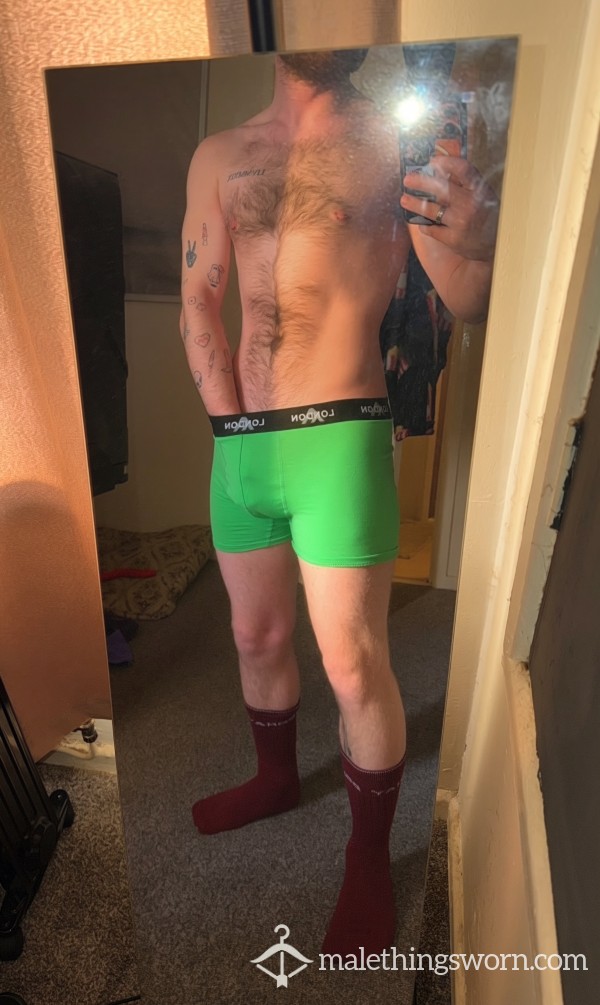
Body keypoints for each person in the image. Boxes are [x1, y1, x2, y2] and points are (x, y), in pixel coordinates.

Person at [179, 49, 498, 956]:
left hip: (341, 436)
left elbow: (466, 298)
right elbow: (199, 298)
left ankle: (366, 858)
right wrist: (229, 429)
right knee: (255, 636)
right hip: (239, 444)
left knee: (355, 665)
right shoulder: (220, 154)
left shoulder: (398, 148)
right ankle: (275, 777)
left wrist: (480, 239)